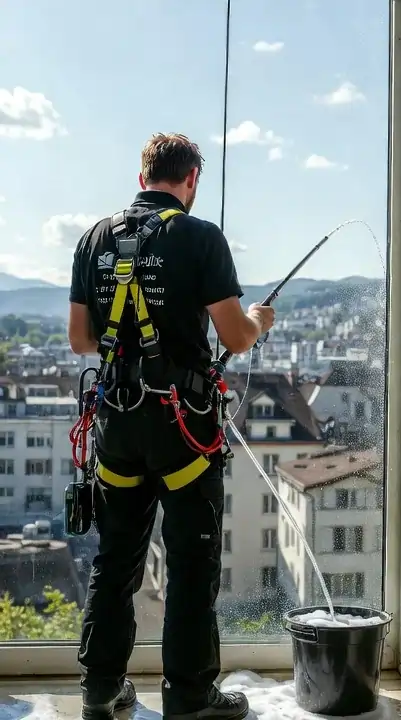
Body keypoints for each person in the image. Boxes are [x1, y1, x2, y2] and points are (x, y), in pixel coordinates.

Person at [67, 133, 275, 720]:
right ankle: (188, 695)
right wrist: (258, 319)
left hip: (117, 423)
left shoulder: (94, 239)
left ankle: (100, 689)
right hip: (182, 426)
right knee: (190, 562)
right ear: (191, 181)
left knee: (115, 558)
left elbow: (81, 340)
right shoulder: (200, 236)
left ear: (142, 178)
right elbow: (235, 337)